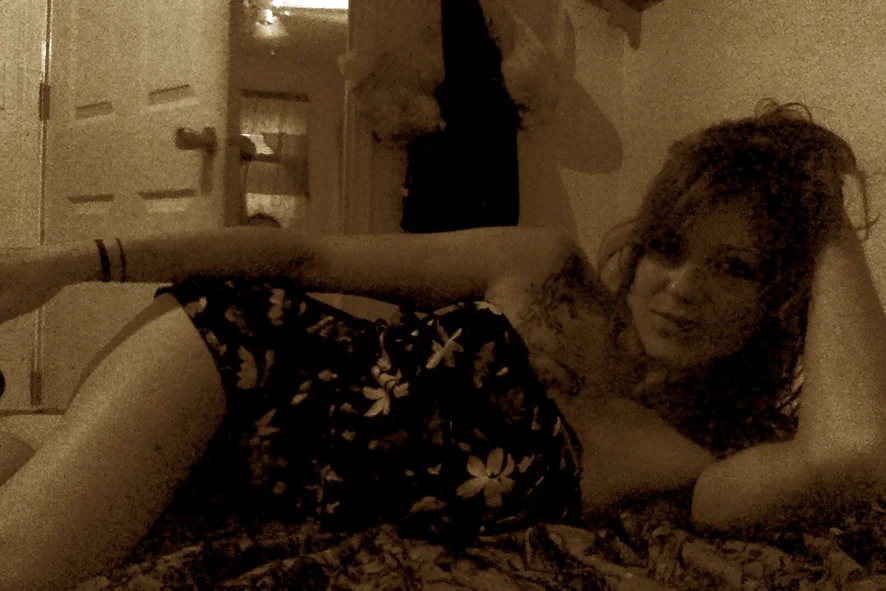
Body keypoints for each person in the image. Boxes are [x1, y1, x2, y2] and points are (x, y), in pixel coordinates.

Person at [0, 98, 884, 589]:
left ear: (781, 299)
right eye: (669, 247)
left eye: (735, 268)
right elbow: (307, 257)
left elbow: (853, 449)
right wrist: (72, 261)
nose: (682, 286)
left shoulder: (694, 465)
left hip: (232, 485)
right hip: (228, 363)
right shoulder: (547, 268)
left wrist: (820, 207)